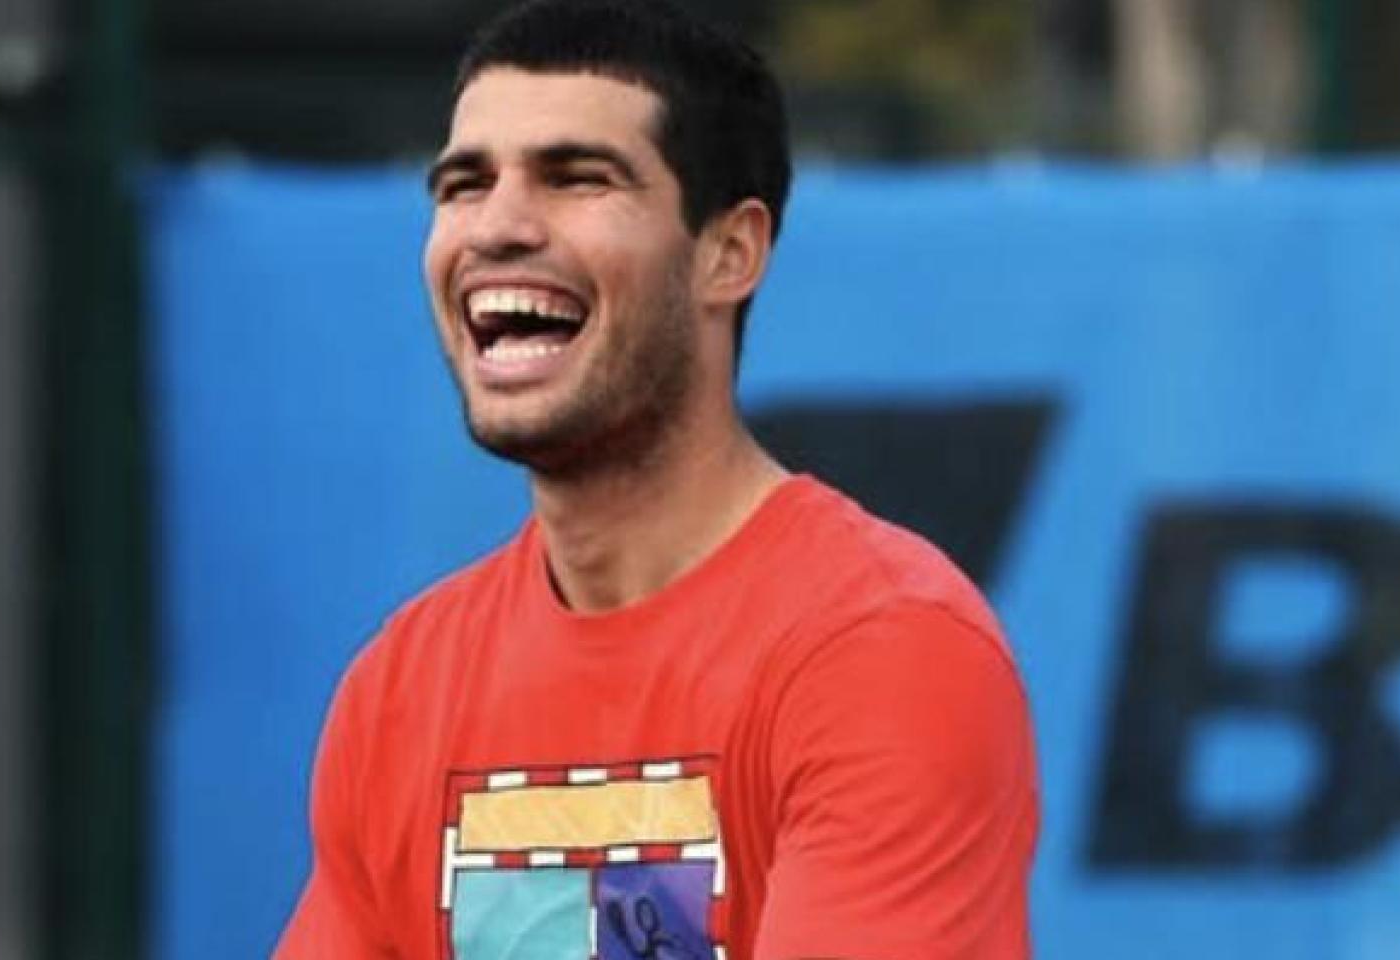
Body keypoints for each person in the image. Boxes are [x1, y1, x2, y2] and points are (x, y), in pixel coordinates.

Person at [274, 0, 1038, 956]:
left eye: (576, 178)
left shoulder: (886, 651)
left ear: (729, 253)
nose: (499, 226)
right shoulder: (400, 687)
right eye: (464, 185)